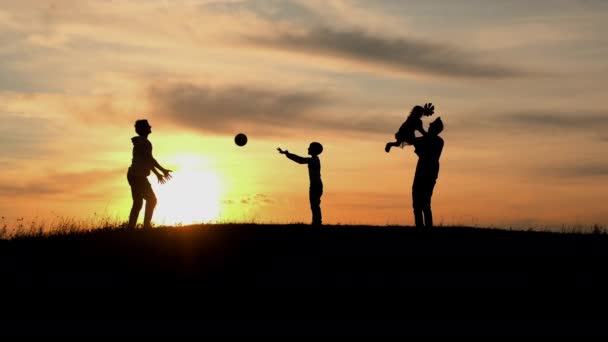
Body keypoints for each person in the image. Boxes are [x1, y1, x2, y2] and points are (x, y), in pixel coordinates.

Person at [127, 119, 172, 229]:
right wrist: (162, 170)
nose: (150, 127)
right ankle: (146, 226)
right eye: (148, 126)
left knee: (138, 203)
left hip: (134, 175)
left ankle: (130, 229)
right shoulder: (144, 143)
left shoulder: (141, 142)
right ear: (143, 129)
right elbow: (150, 159)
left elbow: (147, 161)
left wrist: (158, 173)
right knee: (151, 200)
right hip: (138, 176)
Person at [277, 142, 324, 226]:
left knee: (314, 204)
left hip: (315, 186)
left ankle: (317, 222)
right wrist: (288, 154)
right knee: (314, 204)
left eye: (310, 147)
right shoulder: (315, 160)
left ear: (314, 150)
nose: (308, 149)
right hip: (316, 185)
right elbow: (301, 160)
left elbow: (300, 160)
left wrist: (288, 154)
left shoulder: (313, 160)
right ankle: (316, 222)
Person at [411, 117, 444, 228]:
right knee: (418, 204)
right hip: (422, 174)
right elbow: (412, 141)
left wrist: (416, 142)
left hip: (426, 175)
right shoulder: (430, 139)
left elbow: (424, 154)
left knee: (424, 203)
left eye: (431, 126)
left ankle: (426, 228)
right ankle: (421, 227)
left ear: (435, 129)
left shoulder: (438, 141)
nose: (428, 127)